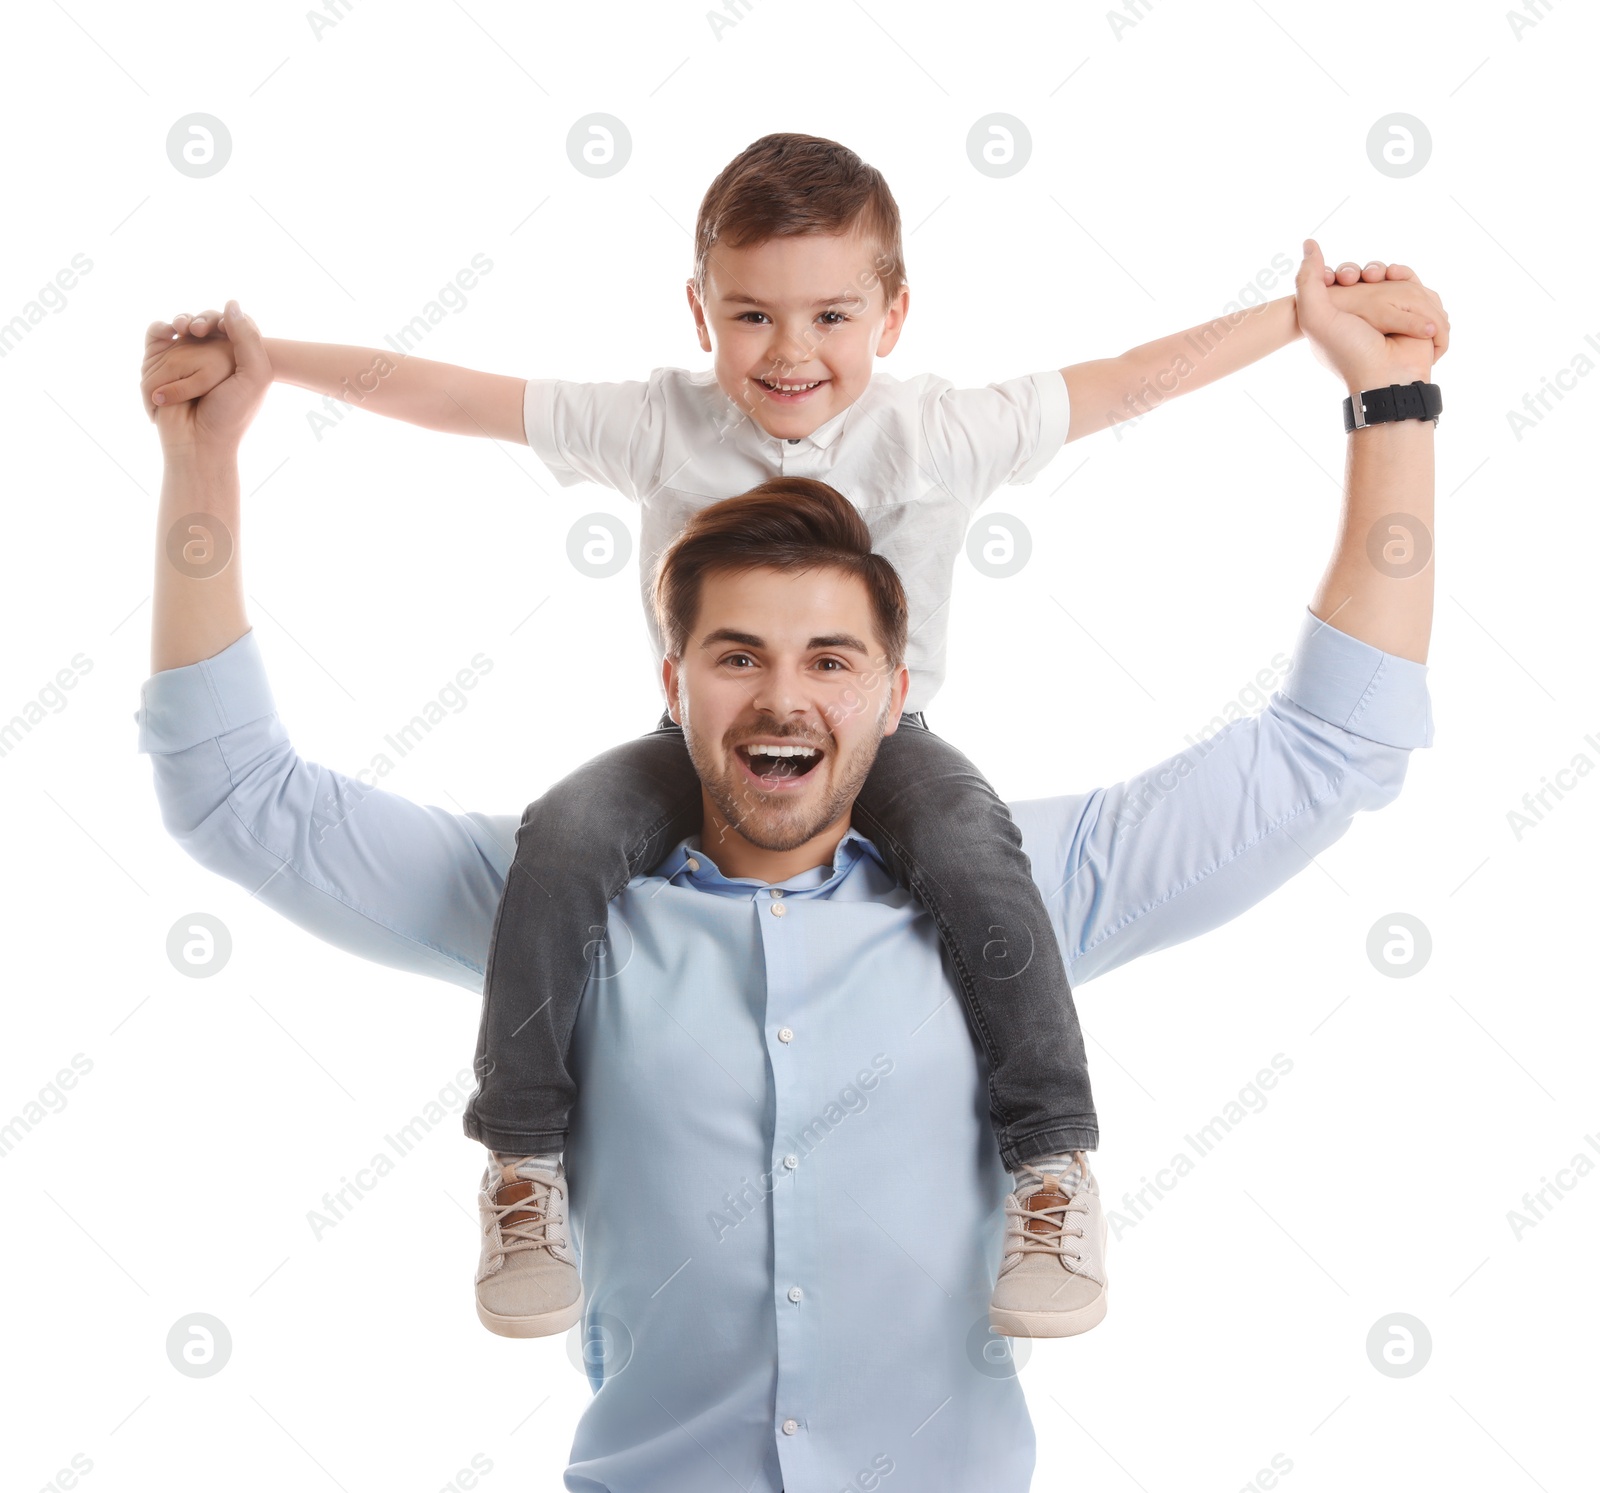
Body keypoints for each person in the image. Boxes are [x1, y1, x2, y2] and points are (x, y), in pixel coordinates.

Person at [136, 238, 1440, 1491]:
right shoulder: (555, 902)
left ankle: (1063, 1162)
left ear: (892, 689)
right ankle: (511, 1160)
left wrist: (1391, 398)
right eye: (737, 655)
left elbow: (1334, 747)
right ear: (674, 683)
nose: (781, 699)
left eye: (829, 660)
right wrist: (203, 462)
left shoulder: (1021, 892)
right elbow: (237, 794)